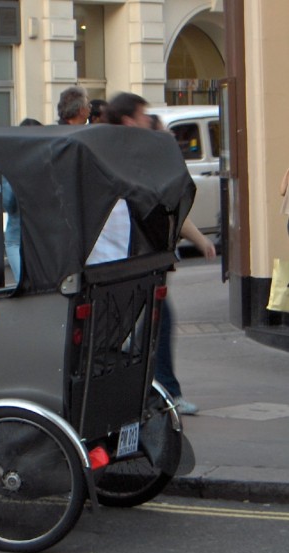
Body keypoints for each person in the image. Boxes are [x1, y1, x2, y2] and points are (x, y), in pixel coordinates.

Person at [104, 92, 217, 415]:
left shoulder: (121, 153)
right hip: (131, 261)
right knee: (154, 322)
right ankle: (162, 391)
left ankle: (148, 389)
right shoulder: (133, 159)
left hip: (130, 260)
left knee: (146, 324)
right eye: (142, 114)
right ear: (129, 121)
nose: (146, 118)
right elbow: (164, 203)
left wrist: (199, 240)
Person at [2, 118, 42, 280]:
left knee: (28, 284)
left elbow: (8, 203)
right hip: (33, 236)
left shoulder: (13, 163)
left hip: (20, 236)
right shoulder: (45, 161)